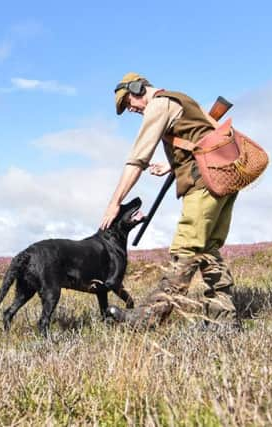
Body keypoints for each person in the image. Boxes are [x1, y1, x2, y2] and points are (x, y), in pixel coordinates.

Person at [100, 72, 238, 328]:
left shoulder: (158, 105)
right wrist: (173, 165)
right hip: (225, 179)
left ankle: (148, 317)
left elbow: (137, 159)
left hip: (203, 182)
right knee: (207, 250)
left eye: (127, 101)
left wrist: (115, 201)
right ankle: (224, 319)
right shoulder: (181, 100)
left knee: (185, 248)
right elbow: (205, 138)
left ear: (138, 88)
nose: (129, 108)